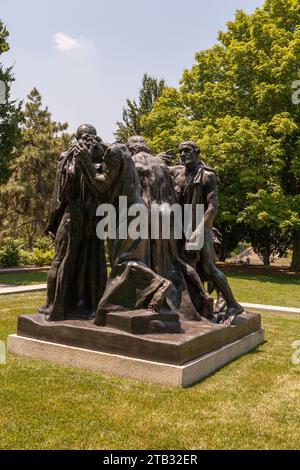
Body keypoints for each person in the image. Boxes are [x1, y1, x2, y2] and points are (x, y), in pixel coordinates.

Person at [74, 140, 181, 332]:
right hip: (136, 210)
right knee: (128, 259)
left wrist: (85, 164)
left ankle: (158, 283)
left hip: (128, 213)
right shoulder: (123, 153)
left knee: (124, 261)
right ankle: (144, 292)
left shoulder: (113, 153)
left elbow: (101, 183)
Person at [127, 135, 212, 320]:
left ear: (132, 147)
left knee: (153, 262)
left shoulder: (132, 162)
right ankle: (203, 295)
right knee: (175, 260)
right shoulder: (160, 164)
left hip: (152, 214)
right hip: (171, 214)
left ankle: (159, 295)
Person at [171, 141, 244, 325]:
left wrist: (199, 231)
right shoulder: (177, 173)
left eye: (187, 151)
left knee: (209, 268)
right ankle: (197, 304)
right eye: (180, 151)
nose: (182, 154)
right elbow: (154, 166)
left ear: (197, 152)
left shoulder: (207, 176)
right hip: (181, 228)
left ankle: (233, 304)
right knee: (185, 267)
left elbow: (212, 207)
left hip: (201, 227)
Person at [40, 124, 107, 321]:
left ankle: (83, 304)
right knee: (65, 259)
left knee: (89, 261)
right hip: (83, 216)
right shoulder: (72, 158)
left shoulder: (94, 157)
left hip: (87, 216)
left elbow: (60, 195)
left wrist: (52, 221)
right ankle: (55, 303)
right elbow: (62, 193)